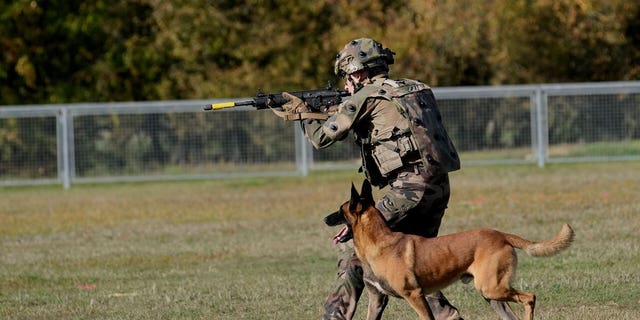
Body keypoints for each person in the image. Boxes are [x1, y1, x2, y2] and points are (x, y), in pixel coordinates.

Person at [282, 38, 462, 320]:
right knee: (411, 261)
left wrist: (303, 113)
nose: (346, 85)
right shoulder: (416, 87)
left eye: (347, 77)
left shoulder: (366, 96)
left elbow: (320, 138)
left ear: (357, 72)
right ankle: (447, 317)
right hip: (438, 186)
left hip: (408, 188)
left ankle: (335, 314)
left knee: (356, 248)